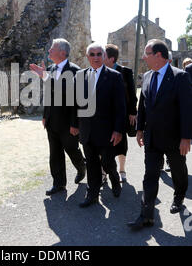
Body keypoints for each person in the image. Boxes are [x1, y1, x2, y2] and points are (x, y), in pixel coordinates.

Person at [128, 39, 192, 231]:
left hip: (174, 138)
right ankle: (146, 215)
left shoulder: (179, 77)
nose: (143, 56)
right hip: (152, 138)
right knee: (150, 175)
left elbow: (187, 109)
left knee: (179, 172)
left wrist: (186, 138)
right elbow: (143, 105)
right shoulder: (147, 76)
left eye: (147, 53)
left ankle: (179, 196)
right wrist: (139, 129)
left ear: (158, 55)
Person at [30, 38, 86, 196]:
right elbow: (49, 95)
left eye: (51, 49)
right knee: (55, 153)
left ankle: (82, 167)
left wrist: (75, 123)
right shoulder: (50, 69)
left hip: (68, 122)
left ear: (62, 52)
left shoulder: (75, 70)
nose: (49, 51)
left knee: (72, 149)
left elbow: (74, 97)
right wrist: (45, 115)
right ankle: (59, 184)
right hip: (52, 120)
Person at [74, 43, 126, 207]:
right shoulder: (80, 76)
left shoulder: (115, 76)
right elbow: (74, 103)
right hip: (87, 130)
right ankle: (92, 194)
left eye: (99, 54)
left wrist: (118, 130)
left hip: (107, 131)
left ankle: (115, 179)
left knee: (107, 163)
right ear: (87, 57)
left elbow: (120, 106)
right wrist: (74, 124)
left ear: (104, 56)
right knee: (91, 163)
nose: (96, 57)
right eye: (92, 54)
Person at [104, 44, 137, 183]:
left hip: (121, 114)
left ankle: (122, 170)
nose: (99, 57)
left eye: (102, 55)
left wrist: (132, 112)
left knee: (121, 143)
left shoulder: (125, 72)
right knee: (103, 143)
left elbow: (131, 93)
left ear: (111, 58)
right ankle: (103, 172)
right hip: (104, 115)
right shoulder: (99, 71)